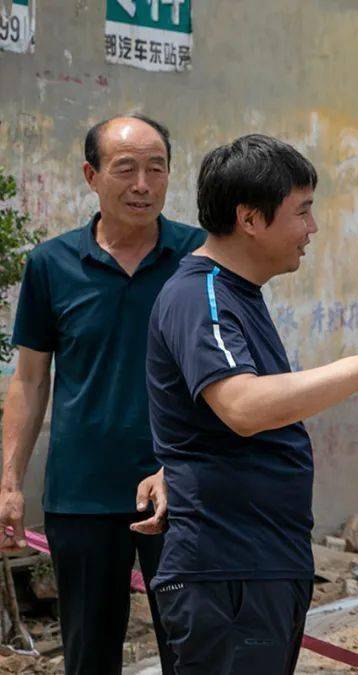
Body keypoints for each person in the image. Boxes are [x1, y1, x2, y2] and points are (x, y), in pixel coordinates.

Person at [145, 134, 358, 673]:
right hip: (229, 572)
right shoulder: (204, 295)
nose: (312, 229)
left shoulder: (238, 293)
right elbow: (242, 406)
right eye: (302, 212)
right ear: (249, 218)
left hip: (255, 565)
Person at [1, 114, 204, 675]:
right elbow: (30, 378)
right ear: (91, 175)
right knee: (89, 654)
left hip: (181, 489)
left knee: (193, 649)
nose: (143, 184)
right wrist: (9, 482)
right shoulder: (51, 264)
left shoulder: (201, 259)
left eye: (156, 169)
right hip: (82, 496)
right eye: (126, 169)